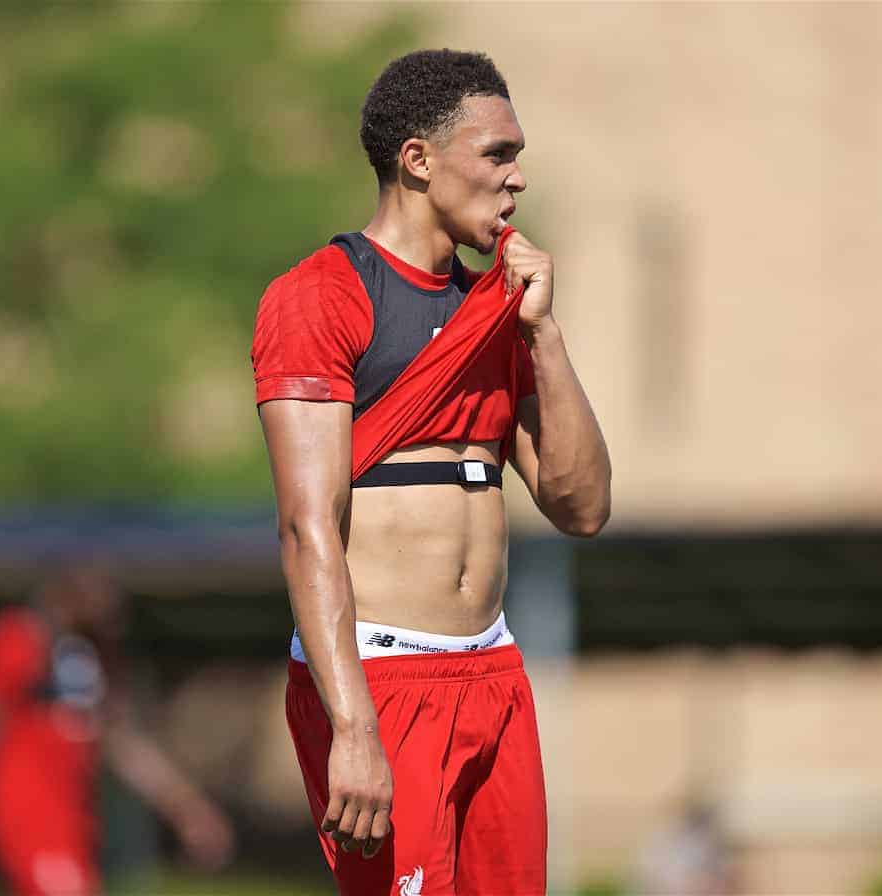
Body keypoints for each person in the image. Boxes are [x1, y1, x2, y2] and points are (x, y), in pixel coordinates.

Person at [251, 49, 611, 895]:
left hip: (493, 670)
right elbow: (307, 532)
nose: (516, 179)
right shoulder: (322, 296)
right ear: (418, 160)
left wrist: (544, 338)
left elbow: (583, 506)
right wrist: (354, 728)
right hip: (381, 680)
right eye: (497, 154)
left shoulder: (497, 313)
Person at [0, 562, 234, 896]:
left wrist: (188, 808)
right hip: (22, 818)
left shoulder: (87, 657)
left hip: (70, 823)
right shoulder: (12, 640)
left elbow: (121, 743)